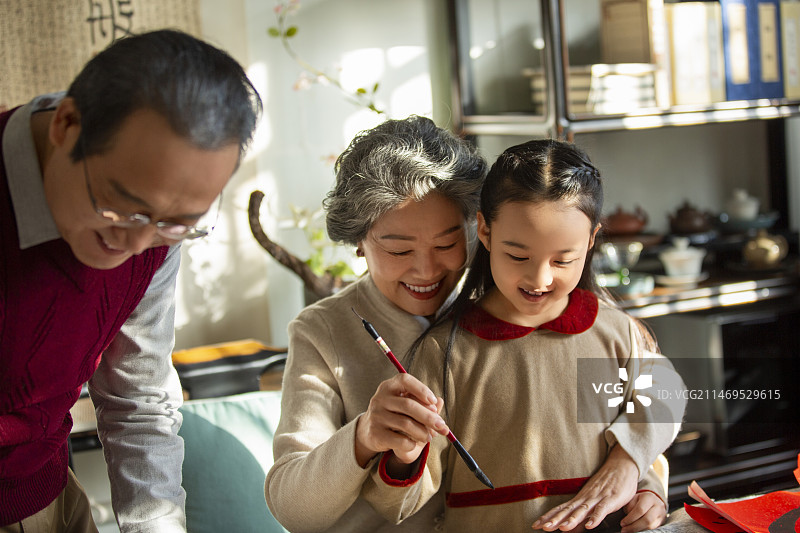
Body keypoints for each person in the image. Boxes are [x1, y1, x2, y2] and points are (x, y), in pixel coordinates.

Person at [0, 30, 261, 532]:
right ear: (67, 124)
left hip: (46, 494)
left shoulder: (155, 232)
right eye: (122, 207)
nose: (139, 245)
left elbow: (139, 401)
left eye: (178, 221)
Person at [359, 139, 687, 532]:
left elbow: (665, 396)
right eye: (518, 256)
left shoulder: (612, 331)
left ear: (591, 240)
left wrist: (640, 477)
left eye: (563, 260)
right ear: (484, 230)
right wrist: (404, 458)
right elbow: (398, 504)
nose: (540, 279)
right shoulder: (446, 351)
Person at [264, 115, 489, 532]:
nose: (426, 269)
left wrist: (637, 470)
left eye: (446, 243)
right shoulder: (323, 330)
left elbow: (640, 368)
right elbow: (291, 508)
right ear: (359, 244)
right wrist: (363, 437)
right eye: (399, 250)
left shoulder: (503, 300)